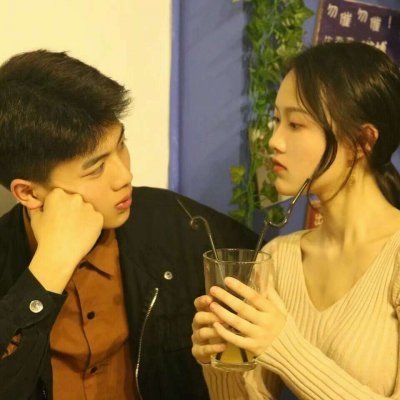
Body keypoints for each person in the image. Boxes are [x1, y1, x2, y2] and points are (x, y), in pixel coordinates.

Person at [0, 49, 259, 400]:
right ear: (28, 193)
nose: (124, 176)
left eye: (121, 146)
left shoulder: (182, 225)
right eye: (96, 168)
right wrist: (47, 271)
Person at [192, 41, 400, 399]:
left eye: (295, 124)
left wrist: (282, 345)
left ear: (363, 141)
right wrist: (219, 357)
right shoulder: (279, 257)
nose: (274, 141)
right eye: (277, 120)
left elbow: (283, 347)